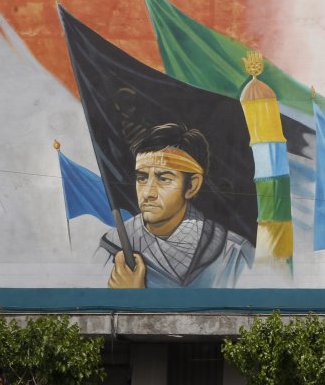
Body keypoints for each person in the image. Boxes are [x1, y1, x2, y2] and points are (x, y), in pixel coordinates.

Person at [101, 123, 255, 288]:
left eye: (164, 178)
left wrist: (134, 298)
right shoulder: (111, 247)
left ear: (191, 186)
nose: (147, 193)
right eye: (142, 178)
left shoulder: (234, 253)